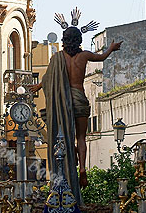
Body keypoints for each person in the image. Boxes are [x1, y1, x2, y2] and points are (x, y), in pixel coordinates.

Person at [31, 12, 122, 194]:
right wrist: (111, 48)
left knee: (63, 136)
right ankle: (82, 169)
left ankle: (66, 163)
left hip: (62, 101)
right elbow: (102, 57)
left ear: (64, 40)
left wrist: (38, 87)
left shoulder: (57, 58)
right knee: (81, 137)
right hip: (79, 97)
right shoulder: (84, 56)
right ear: (79, 40)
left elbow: (49, 77)